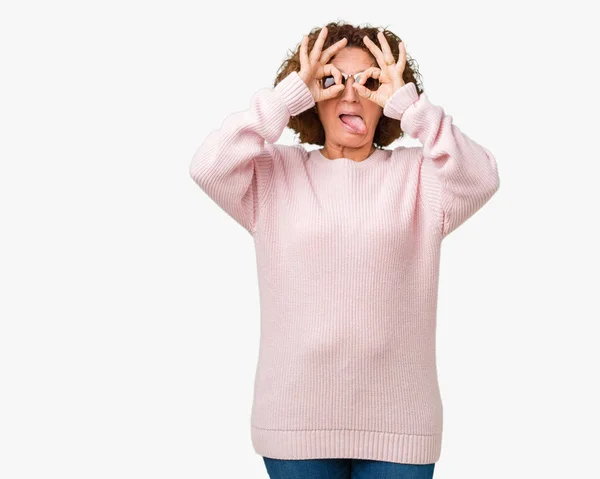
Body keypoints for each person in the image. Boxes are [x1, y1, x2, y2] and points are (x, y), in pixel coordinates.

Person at [189, 20, 500, 479]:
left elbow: (483, 178)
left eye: (370, 82)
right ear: (311, 95)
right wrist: (284, 96)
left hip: (401, 425)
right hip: (296, 421)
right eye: (331, 81)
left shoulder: (420, 177)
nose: (351, 96)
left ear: (387, 100)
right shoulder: (274, 174)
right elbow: (208, 167)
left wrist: (415, 109)